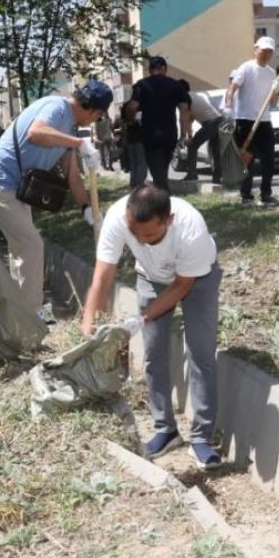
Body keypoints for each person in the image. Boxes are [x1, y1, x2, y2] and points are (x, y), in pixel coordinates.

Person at [81, 185, 223, 469]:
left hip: (197, 279)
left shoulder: (190, 228)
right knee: (153, 353)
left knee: (200, 352)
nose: (140, 241)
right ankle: (165, 429)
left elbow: (181, 286)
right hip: (150, 277)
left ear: (168, 220)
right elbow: (103, 274)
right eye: (134, 233)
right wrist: (89, 321)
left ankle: (201, 438)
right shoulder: (117, 218)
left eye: (149, 235)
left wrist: (142, 318)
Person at [0, 81, 110, 316]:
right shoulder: (57, 107)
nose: (94, 122)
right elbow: (36, 132)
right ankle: (32, 319)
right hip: (0, 180)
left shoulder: (70, 127)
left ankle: (20, 313)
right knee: (32, 247)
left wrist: (86, 208)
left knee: (23, 250)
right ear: (94, 112)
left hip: (17, 188)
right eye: (98, 117)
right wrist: (79, 143)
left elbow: (72, 175)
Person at [225, 37, 279, 205]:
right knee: (247, 159)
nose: (266, 54)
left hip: (264, 121)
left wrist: (276, 90)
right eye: (263, 50)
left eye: (270, 51)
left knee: (269, 159)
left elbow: (273, 102)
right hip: (245, 119)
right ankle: (246, 195)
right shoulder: (246, 68)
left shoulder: (271, 73)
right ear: (255, 50)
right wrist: (228, 107)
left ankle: (266, 194)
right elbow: (232, 88)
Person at [124, 56, 190, 190]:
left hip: (150, 134)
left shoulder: (142, 85)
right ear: (164, 69)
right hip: (170, 134)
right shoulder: (176, 85)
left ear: (150, 70)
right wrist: (183, 134)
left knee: (157, 172)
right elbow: (184, 111)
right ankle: (163, 193)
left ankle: (163, 195)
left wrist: (130, 119)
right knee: (162, 169)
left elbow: (132, 106)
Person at [180, 78, 223, 183]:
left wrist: (184, 137)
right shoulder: (194, 95)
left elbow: (184, 118)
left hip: (211, 123)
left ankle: (192, 174)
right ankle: (217, 177)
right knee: (215, 150)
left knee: (192, 146)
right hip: (219, 121)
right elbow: (190, 118)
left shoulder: (184, 98)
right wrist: (190, 135)